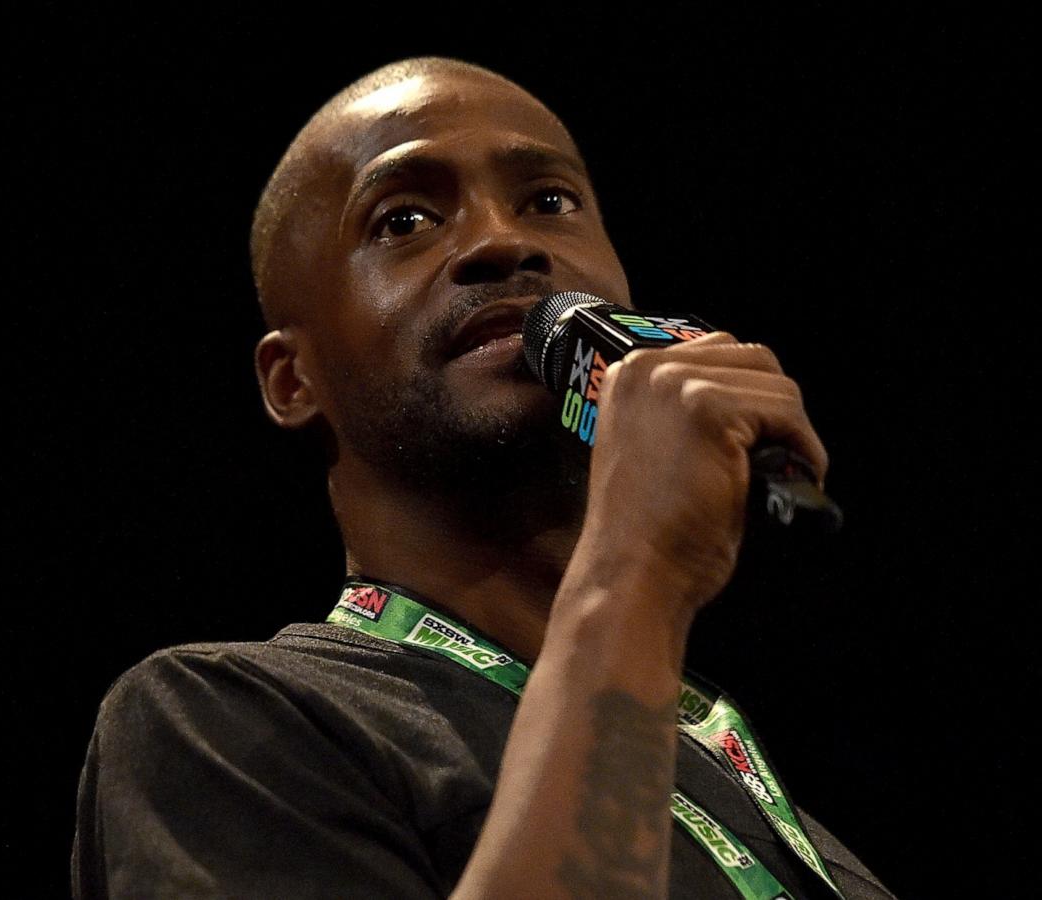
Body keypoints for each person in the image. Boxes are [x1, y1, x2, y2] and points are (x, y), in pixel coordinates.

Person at [71, 56, 897, 899]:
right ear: (294, 378)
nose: (505, 241)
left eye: (550, 201)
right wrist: (637, 568)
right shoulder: (230, 722)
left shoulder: (750, 792)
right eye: (404, 220)